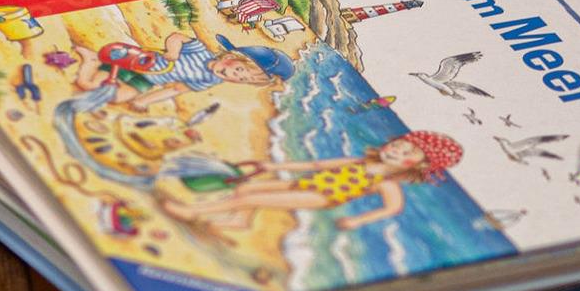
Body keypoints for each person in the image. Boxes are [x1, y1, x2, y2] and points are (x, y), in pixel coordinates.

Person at [155, 130, 462, 232]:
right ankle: (239, 220)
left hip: (320, 197)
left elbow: (392, 208)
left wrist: (357, 221)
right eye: (398, 144)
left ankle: (192, 212)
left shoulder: (386, 183)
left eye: (406, 153)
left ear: (420, 166)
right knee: (246, 187)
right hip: (305, 184)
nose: (395, 150)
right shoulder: (360, 161)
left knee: (250, 197)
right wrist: (270, 165)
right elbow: (315, 165)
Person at [78, 32, 293, 110]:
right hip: (138, 62)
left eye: (242, 79)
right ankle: (91, 61)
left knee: (116, 98)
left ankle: (95, 69)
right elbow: (177, 37)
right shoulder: (200, 51)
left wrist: (143, 101)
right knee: (89, 86)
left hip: (148, 82)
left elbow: (175, 89)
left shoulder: (210, 80)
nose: (234, 76)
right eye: (239, 69)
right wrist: (172, 52)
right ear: (229, 58)